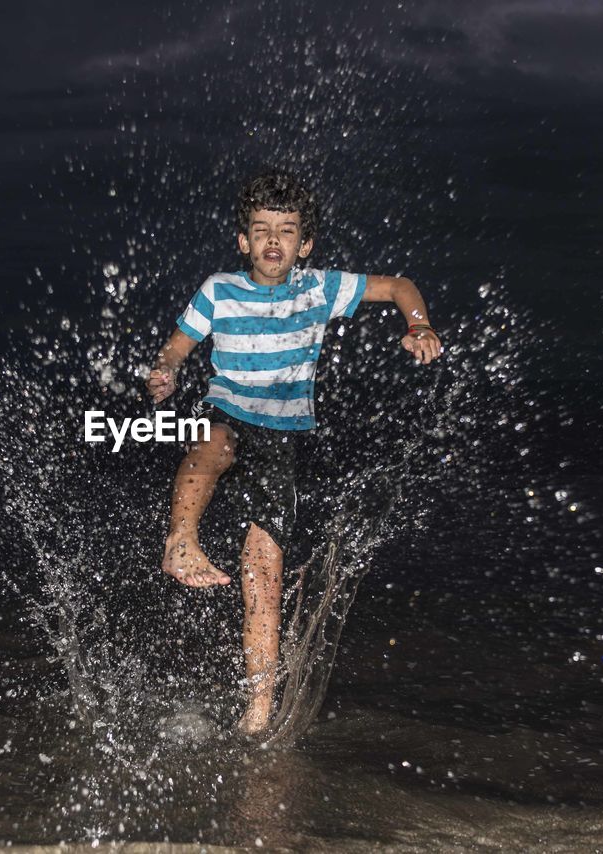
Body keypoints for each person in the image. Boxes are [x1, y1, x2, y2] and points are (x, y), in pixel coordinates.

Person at [146, 169, 442, 735]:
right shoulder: (218, 290)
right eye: (261, 230)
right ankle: (180, 542)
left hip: (282, 438)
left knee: (264, 569)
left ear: (304, 245)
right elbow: (178, 346)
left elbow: (399, 286)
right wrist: (166, 369)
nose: (273, 242)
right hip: (227, 412)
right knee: (213, 442)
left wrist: (419, 325)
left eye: (286, 231)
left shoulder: (319, 288)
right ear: (243, 241)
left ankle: (256, 713)